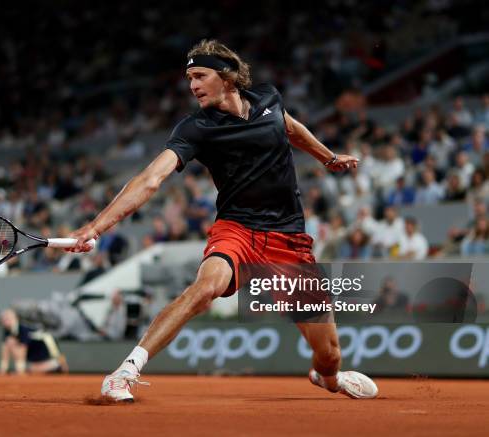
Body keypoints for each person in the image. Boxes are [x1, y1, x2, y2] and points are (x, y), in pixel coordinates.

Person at [67, 40, 378, 401]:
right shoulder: (195, 127)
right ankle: (125, 371)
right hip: (238, 229)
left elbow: (291, 129)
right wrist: (95, 227)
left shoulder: (268, 99)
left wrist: (328, 158)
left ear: (227, 77)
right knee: (205, 288)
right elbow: (150, 179)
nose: (193, 85)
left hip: (288, 239)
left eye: (200, 75)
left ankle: (329, 379)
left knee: (330, 354)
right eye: (189, 78)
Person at [0, 309, 68, 375]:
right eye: (4, 318)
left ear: (16, 318)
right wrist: (3, 367)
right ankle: (6, 368)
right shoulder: (7, 330)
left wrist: (20, 369)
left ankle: (57, 364)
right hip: (32, 352)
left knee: (32, 368)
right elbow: (5, 347)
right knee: (9, 343)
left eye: (8, 318)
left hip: (42, 348)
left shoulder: (22, 329)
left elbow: (22, 349)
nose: (6, 320)